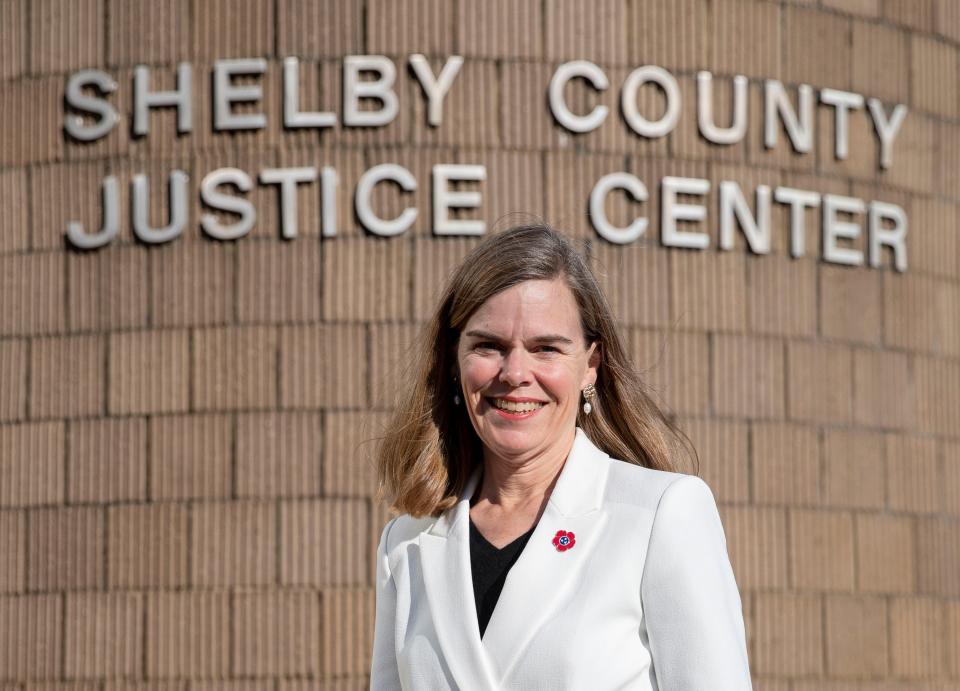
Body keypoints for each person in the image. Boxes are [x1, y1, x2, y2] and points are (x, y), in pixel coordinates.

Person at [370, 224, 752, 690]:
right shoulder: (406, 541)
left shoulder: (660, 515)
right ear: (454, 361)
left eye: (545, 348)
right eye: (489, 346)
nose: (514, 373)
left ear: (591, 365)